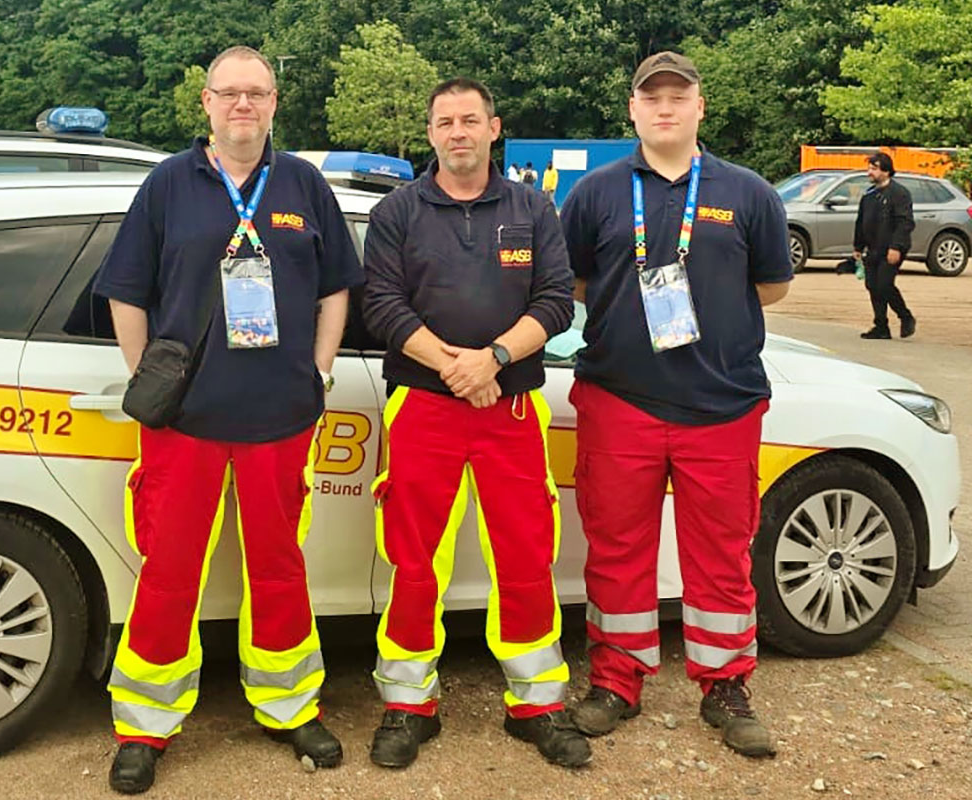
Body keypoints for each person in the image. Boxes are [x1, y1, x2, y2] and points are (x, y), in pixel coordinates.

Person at [93, 45, 363, 794]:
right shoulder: (167, 185)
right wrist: (148, 377)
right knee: (170, 570)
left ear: (275, 103)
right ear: (206, 103)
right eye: (230, 94)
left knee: (279, 569)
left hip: (280, 416)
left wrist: (319, 368)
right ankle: (144, 724)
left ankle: (288, 706)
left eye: (257, 93)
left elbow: (337, 286)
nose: (243, 105)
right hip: (185, 420)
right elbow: (125, 290)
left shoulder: (305, 184)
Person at [559, 51, 792, 759]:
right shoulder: (596, 194)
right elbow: (573, 282)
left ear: (699, 107)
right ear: (632, 109)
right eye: (650, 97)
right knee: (617, 549)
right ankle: (616, 679)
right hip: (618, 402)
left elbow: (773, 286)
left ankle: (725, 685)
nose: (664, 107)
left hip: (721, 406)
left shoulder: (748, 192)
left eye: (677, 96)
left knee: (720, 555)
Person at [362, 77, 585, 770]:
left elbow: (556, 301)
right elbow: (382, 304)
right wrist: (455, 368)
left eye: (469, 120)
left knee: (524, 556)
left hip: (511, 407)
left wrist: (491, 359)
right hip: (423, 406)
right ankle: (408, 706)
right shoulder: (398, 211)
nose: (456, 132)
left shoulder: (532, 206)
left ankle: (537, 705)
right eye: (444, 122)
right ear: (430, 134)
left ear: (493, 128)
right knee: (412, 559)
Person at [854, 152, 916, 339]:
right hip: (872, 248)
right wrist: (858, 246)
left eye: (874, 168)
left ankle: (905, 317)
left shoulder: (899, 194)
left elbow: (905, 222)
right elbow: (861, 221)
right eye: (869, 168)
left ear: (886, 171)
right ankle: (881, 326)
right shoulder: (869, 195)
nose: (869, 172)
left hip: (891, 248)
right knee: (872, 285)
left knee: (884, 284)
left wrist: (896, 247)